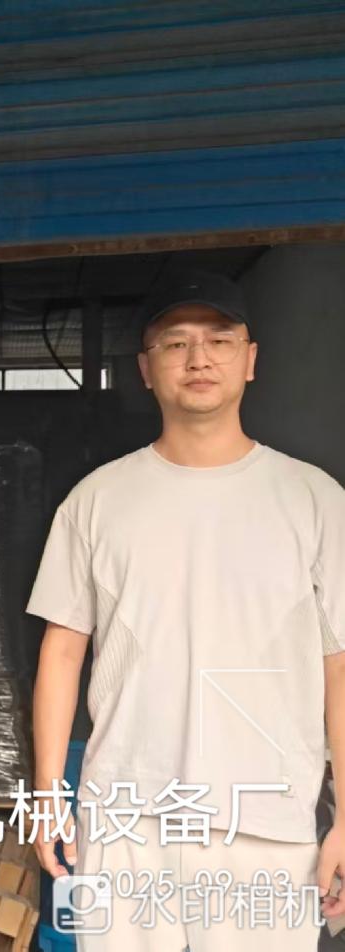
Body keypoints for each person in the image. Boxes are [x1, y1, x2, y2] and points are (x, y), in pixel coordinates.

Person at [28, 271, 345, 950]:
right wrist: (49, 793)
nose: (198, 358)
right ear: (146, 369)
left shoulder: (315, 500)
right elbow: (62, 650)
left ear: (250, 359)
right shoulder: (95, 501)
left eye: (218, 340)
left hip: (264, 820)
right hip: (126, 819)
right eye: (175, 343)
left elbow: (338, 666)